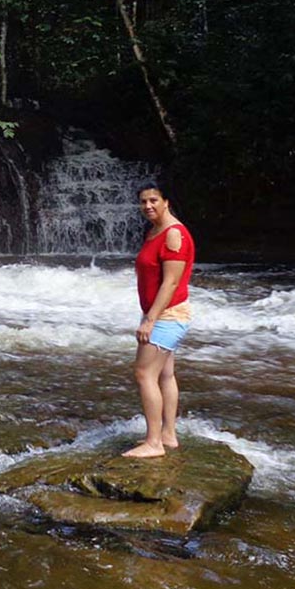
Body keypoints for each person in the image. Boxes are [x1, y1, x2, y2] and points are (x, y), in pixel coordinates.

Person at [123, 180, 195, 458]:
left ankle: (153, 443)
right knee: (165, 374)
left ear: (167, 202)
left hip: (167, 314)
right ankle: (168, 435)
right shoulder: (156, 231)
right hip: (162, 312)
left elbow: (171, 283)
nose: (147, 206)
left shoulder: (174, 235)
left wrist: (150, 319)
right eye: (143, 201)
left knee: (144, 373)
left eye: (153, 200)